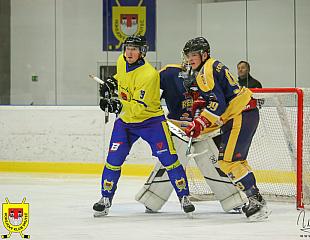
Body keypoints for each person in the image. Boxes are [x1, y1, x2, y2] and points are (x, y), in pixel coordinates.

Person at [93, 35, 195, 217]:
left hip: (151, 121)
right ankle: (105, 199)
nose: (129, 52)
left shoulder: (149, 75)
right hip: (125, 122)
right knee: (113, 160)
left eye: (134, 48)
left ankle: (184, 197)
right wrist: (112, 82)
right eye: (127, 48)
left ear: (142, 52)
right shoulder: (121, 61)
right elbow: (122, 77)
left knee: (169, 160)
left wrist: (117, 105)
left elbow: (140, 107)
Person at [135, 62, 247, 213]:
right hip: (178, 128)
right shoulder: (169, 73)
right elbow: (149, 88)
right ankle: (152, 198)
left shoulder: (207, 74)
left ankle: (232, 200)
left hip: (204, 128)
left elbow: (221, 101)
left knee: (211, 163)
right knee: (172, 162)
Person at [182, 37, 270, 221]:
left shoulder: (205, 72)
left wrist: (199, 123)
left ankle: (256, 200)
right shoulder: (213, 65)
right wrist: (204, 103)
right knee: (237, 161)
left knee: (228, 162)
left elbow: (218, 105)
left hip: (240, 115)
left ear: (204, 54)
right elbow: (221, 96)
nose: (190, 59)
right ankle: (256, 199)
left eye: (194, 55)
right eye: (188, 55)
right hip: (246, 112)